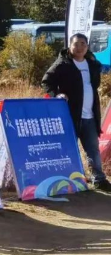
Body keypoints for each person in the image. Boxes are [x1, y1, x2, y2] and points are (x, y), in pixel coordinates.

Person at [41, 33, 111, 191]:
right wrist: (57, 94)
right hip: (70, 115)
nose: (79, 47)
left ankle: (99, 180)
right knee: (67, 148)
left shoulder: (92, 64)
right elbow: (46, 81)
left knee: (93, 149)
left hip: (90, 115)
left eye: (82, 44)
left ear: (87, 46)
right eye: (76, 44)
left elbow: (94, 84)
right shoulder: (63, 64)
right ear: (69, 46)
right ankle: (65, 179)